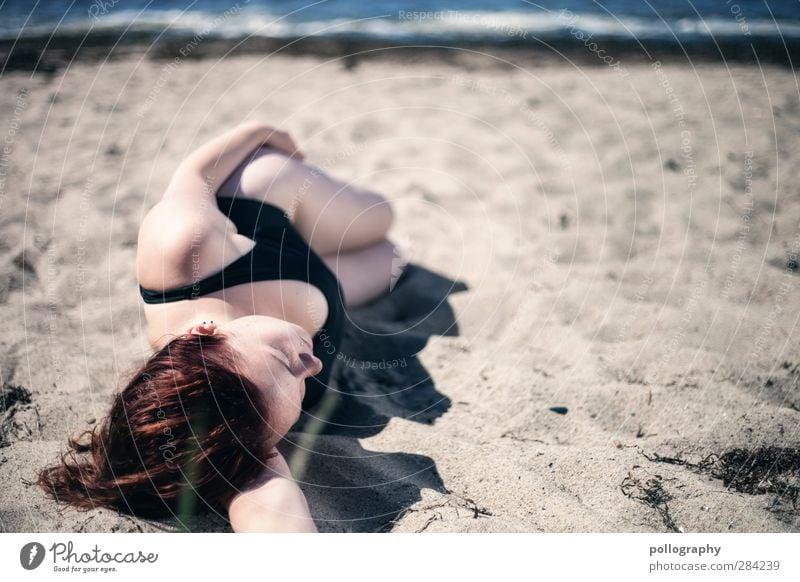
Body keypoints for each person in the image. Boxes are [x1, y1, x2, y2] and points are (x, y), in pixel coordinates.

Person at [38, 122, 401, 532]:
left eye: (285, 360)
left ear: (203, 333)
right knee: (392, 258)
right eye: (298, 386)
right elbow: (269, 505)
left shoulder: (181, 248)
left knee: (381, 217)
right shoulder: (235, 434)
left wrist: (263, 130)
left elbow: (194, 176)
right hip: (323, 289)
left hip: (266, 206)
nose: (313, 367)